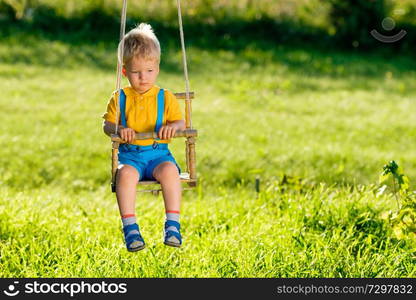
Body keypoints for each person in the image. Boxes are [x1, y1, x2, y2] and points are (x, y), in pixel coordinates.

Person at [102, 23, 185, 252]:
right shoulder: (120, 97)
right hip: (131, 157)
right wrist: (118, 130)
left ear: (157, 69)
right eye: (136, 72)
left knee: (171, 172)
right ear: (125, 72)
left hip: (158, 155)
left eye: (149, 71)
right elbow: (107, 124)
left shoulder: (164, 97)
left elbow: (180, 122)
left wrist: (173, 128)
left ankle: (173, 224)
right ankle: (130, 227)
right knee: (125, 176)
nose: (143, 78)